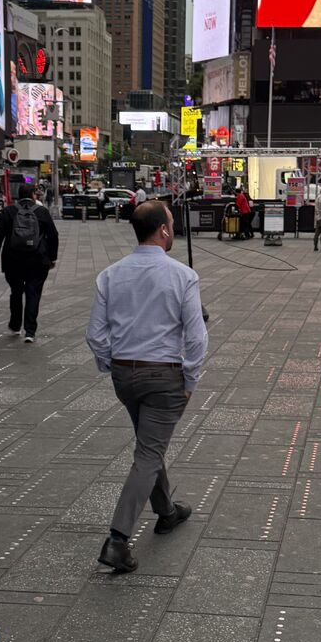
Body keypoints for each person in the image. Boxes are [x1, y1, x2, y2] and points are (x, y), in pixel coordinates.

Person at [86, 201, 208, 575]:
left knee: (149, 443)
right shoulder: (182, 276)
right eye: (171, 223)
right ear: (163, 231)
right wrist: (189, 380)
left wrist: (111, 363)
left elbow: (95, 334)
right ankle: (118, 539)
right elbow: (197, 338)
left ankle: (167, 512)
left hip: (125, 375)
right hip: (164, 377)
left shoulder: (110, 275)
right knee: (149, 452)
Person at [0, 185, 58, 344]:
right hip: (37, 260)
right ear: (34, 195)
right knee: (33, 293)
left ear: (17, 196)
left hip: (13, 261)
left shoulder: (8, 212)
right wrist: (52, 258)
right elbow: (53, 236)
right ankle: (30, 331)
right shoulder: (42, 212)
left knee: (16, 292)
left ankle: (15, 325)